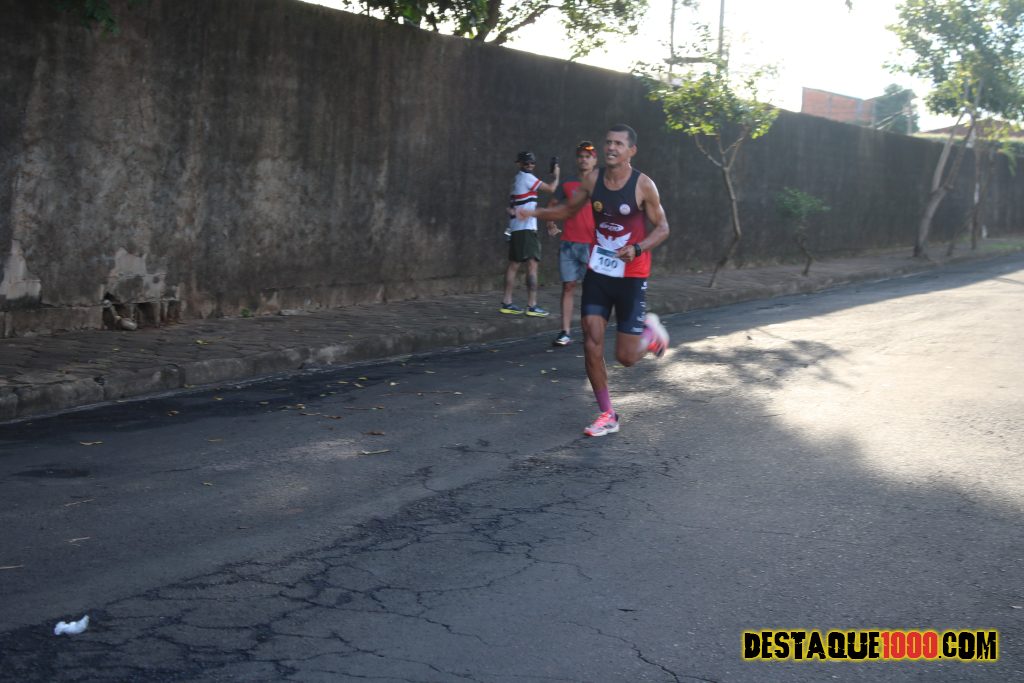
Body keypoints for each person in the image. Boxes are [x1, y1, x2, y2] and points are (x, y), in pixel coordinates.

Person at [520, 124, 670, 436]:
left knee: (625, 358)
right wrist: (534, 214)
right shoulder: (592, 180)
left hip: (631, 275)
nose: (611, 147)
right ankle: (607, 414)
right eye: (608, 142)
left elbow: (663, 228)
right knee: (591, 340)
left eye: (619, 144)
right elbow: (567, 211)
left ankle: (650, 334)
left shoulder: (643, 185)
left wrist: (638, 248)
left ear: (631, 151)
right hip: (599, 271)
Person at [545, 140, 599, 346]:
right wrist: (550, 223)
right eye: (581, 157)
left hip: (592, 245)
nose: (584, 160)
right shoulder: (567, 184)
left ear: (595, 160)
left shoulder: (602, 185)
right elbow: (552, 204)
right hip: (569, 244)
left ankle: (590, 329)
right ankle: (565, 332)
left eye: (588, 157)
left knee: (591, 290)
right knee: (568, 286)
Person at [501, 151, 559, 316]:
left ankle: (507, 302)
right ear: (520, 164)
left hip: (516, 227)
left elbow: (512, 207)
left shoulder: (517, 179)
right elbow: (552, 188)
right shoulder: (527, 178)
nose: (530, 165)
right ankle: (532, 305)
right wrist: (556, 174)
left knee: (514, 265)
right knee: (532, 264)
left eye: (532, 163)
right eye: (527, 163)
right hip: (526, 228)